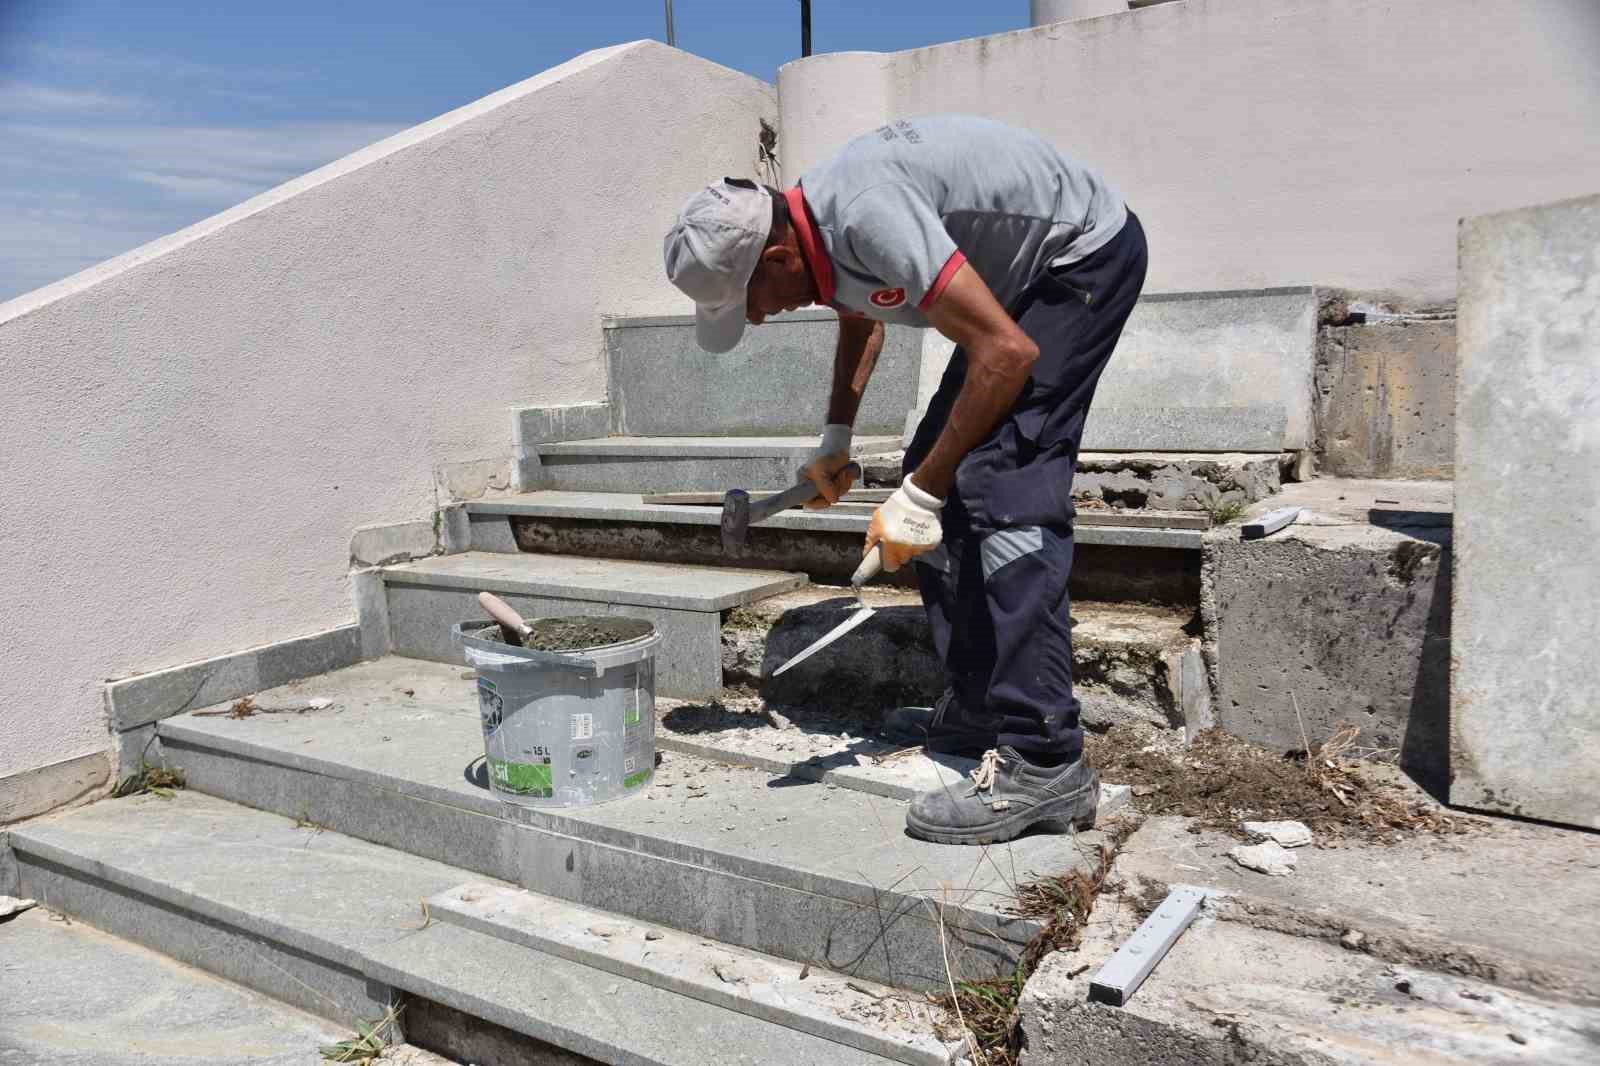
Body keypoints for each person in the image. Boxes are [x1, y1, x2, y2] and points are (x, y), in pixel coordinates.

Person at [662, 114, 1147, 845]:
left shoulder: (862, 213)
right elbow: (864, 318)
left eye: (750, 302)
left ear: (781, 256)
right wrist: (837, 437)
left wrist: (919, 493)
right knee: (945, 461)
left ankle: (1046, 756)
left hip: (1080, 257)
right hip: (1019, 283)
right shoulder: (812, 229)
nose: (757, 320)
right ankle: (980, 705)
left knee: (1001, 480)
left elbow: (1007, 355)